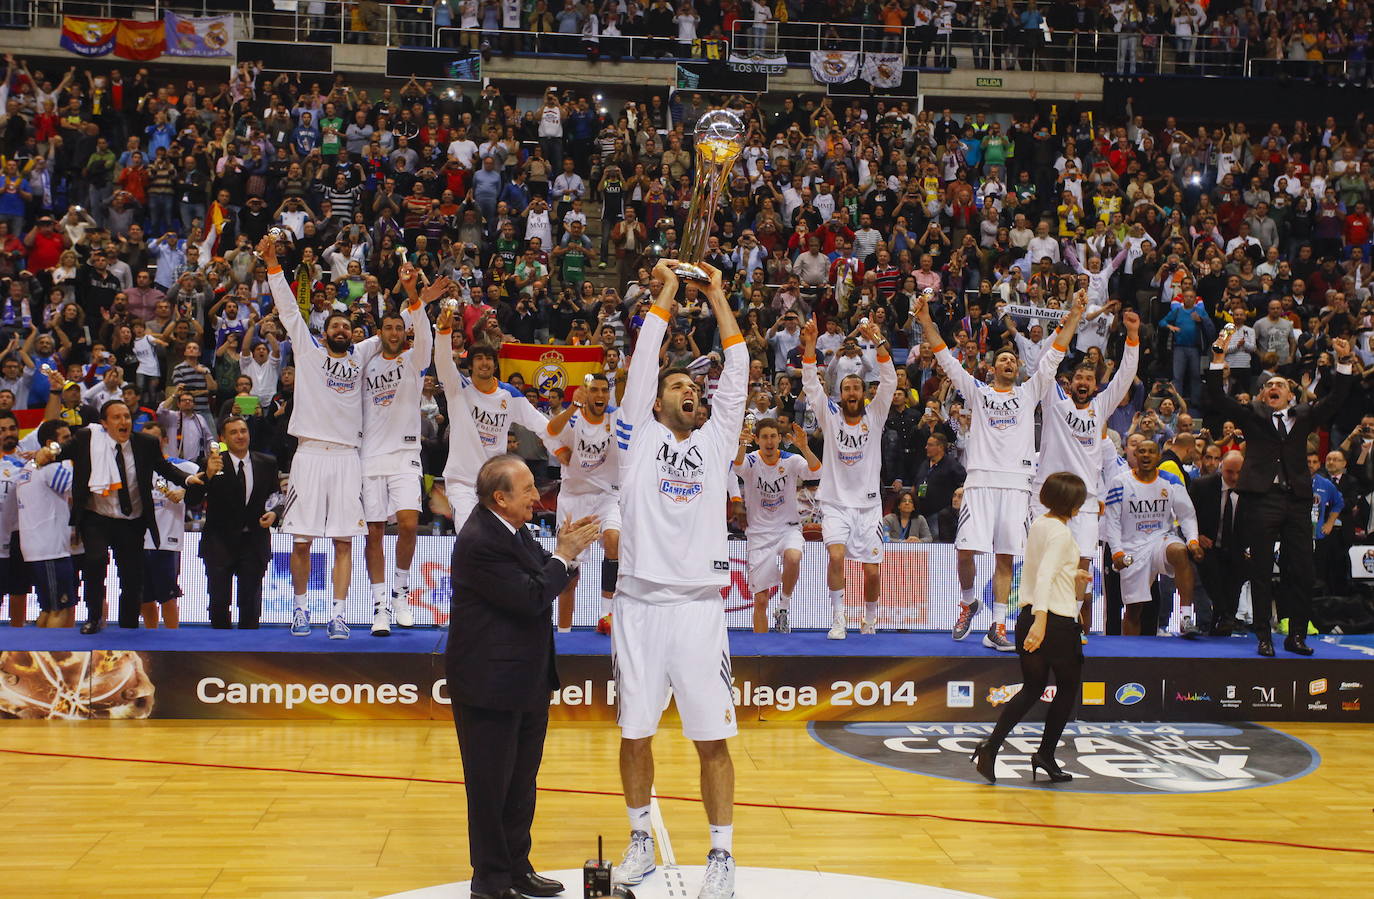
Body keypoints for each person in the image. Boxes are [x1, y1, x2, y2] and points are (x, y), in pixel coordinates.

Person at [609, 260, 744, 899]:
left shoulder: (716, 443)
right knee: (634, 732)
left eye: (694, 386)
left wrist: (717, 295)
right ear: (657, 401)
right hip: (637, 603)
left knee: (712, 739)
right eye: (676, 386)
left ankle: (722, 854)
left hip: (697, 609)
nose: (689, 391)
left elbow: (738, 372)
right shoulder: (634, 437)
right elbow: (641, 367)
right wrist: (665, 292)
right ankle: (640, 839)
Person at [445, 454, 600, 899]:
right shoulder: (480, 540)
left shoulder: (513, 529)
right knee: (490, 787)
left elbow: (546, 583)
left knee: (520, 783)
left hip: (526, 680)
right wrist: (562, 557)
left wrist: (565, 559)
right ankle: (490, 882)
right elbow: (532, 597)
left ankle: (516, 867)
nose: (538, 495)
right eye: (529, 488)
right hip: (489, 685)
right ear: (500, 497)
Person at [913, 288, 1084, 651]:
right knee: (965, 552)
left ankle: (998, 626)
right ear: (992, 368)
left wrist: (1074, 315)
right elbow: (945, 357)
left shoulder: (1029, 392)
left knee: (1006, 558)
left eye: (1013, 361)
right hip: (979, 483)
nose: (1009, 363)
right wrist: (927, 321)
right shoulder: (977, 391)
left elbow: (1055, 353)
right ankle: (968, 601)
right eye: (1003, 359)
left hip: (1017, 485)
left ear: (1019, 367)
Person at [1204, 335, 1354, 656]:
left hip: (1297, 500)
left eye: (1280, 385)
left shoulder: (1304, 416)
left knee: (1300, 570)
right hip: (1261, 499)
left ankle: (1296, 635)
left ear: (1290, 393)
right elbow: (1217, 395)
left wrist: (1343, 361)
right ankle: (1263, 636)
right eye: (1269, 384)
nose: (1274, 388)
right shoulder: (1251, 416)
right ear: (1262, 393)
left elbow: (1337, 398)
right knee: (1259, 569)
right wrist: (1218, 357)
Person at [262, 234, 379, 640]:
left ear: (354, 332)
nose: (342, 329)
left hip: (348, 457)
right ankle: (299, 610)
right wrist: (273, 264)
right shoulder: (309, 352)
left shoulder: (364, 355)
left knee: (344, 542)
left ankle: (339, 614)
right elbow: (289, 309)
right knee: (301, 543)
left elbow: (400, 335)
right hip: (309, 455)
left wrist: (415, 296)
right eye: (335, 324)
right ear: (325, 330)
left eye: (347, 325)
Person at [33, 399, 207, 632]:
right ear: (104, 423)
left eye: (126, 416)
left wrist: (186, 479)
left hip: (132, 519)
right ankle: (94, 618)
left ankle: (129, 623)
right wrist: (50, 451)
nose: (123, 421)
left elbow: (164, 468)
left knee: (132, 574)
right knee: (94, 562)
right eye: (116, 417)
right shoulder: (88, 438)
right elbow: (64, 449)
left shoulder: (145, 443)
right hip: (97, 516)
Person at [971, 472, 1092, 785]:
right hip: (1055, 620)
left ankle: (991, 745)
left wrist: (1073, 574)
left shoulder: (1040, 523)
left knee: (1033, 687)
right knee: (1067, 688)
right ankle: (1045, 754)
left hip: (1028, 614)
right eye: (1079, 500)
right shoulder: (1063, 534)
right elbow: (1044, 576)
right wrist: (1042, 620)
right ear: (1071, 503)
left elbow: (1044, 569)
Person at [1032, 308, 1141, 630]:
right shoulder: (1054, 402)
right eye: (1079, 377)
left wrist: (1132, 338)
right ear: (1070, 382)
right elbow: (1043, 362)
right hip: (1049, 498)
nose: (1084, 382)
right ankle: (1039, 615)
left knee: (1082, 564)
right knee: (1043, 562)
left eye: (1089, 379)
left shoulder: (1101, 407)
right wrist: (1066, 327)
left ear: (1095, 385)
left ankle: (1070, 620)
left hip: (1086, 501)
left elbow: (1124, 376)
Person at [799, 315, 896, 639]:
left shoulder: (876, 414)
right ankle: (838, 618)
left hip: (868, 508)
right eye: (847, 387)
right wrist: (811, 345)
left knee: (871, 572)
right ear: (841, 394)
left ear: (864, 392)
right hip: (836, 504)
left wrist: (879, 341)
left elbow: (890, 379)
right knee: (836, 556)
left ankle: (869, 617)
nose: (852, 390)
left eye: (856, 386)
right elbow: (811, 384)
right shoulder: (831, 416)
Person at [361, 264, 444, 636]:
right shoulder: (366, 363)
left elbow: (424, 336)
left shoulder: (415, 361)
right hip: (370, 456)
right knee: (374, 531)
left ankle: (400, 592)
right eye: (389, 328)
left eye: (400, 327)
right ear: (380, 333)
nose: (395, 332)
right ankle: (379, 604)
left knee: (409, 523)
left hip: (406, 454)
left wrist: (414, 298)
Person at [431, 338, 548, 533]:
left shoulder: (509, 394)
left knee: (497, 537)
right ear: (471, 364)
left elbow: (542, 424)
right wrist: (444, 331)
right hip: (462, 480)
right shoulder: (457, 386)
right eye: (478, 358)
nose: (484, 363)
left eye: (488, 358)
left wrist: (561, 444)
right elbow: (442, 361)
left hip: (494, 483)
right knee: (469, 532)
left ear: (495, 364)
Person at [544, 372, 622, 634]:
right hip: (574, 498)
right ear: (586, 393)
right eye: (595, 390)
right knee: (569, 576)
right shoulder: (574, 416)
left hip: (606, 496)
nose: (600, 395)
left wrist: (625, 377)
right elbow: (551, 431)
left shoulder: (615, 418)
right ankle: (564, 635)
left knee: (613, 540)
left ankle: (605, 615)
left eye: (604, 390)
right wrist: (571, 410)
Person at [1103, 439, 1203, 637]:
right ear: (1135, 455)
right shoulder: (1120, 483)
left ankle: (1185, 617)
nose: (1146, 455)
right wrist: (1117, 552)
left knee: (1179, 551)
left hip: (1160, 540)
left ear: (1158, 456)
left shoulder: (1171, 480)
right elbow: (1112, 521)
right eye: (1142, 451)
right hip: (1131, 547)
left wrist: (1192, 541)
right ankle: (1131, 655)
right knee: (1134, 611)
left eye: (1151, 452)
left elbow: (1187, 514)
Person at [731, 418, 822, 633]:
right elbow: (736, 468)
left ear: (779, 439)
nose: (769, 441)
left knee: (793, 556)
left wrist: (805, 447)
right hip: (759, 534)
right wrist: (741, 445)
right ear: (757, 439)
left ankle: (783, 607)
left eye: (773, 436)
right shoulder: (751, 460)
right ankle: (761, 652)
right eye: (764, 437)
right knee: (760, 600)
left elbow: (816, 472)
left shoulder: (791, 460)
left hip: (787, 528)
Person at [200, 415, 283, 629]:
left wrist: (274, 513)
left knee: (251, 603)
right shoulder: (212, 463)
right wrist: (208, 475)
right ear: (223, 438)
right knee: (218, 602)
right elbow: (192, 499)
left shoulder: (267, 463)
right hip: (219, 542)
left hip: (254, 542)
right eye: (234, 432)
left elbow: (277, 497)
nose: (240, 436)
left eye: (243, 431)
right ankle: (218, 652)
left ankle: (250, 653)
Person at [18, 419, 78, 629]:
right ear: (52, 443)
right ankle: (55, 654)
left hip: (38, 546)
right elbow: (80, 486)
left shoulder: (29, 465)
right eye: (66, 439)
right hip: (50, 548)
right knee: (59, 608)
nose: (71, 443)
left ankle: (39, 651)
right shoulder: (52, 467)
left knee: (48, 607)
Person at [139, 420, 199, 629]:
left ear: (164, 440)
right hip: (138, 541)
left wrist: (184, 491)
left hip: (167, 542)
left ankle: (172, 639)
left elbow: (206, 482)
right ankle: (150, 637)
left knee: (167, 596)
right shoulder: (133, 468)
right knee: (144, 597)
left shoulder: (183, 466)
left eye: (154, 439)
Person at [1188, 450, 1246, 636]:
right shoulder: (1202, 485)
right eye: (1230, 472)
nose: (1235, 477)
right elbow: (1187, 516)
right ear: (1221, 467)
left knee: (1240, 571)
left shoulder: (1251, 491)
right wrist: (1197, 536)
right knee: (1210, 572)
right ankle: (1223, 616)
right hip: (1207, 546)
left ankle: (1225, 618)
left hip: (1236, 546)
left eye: (1239, 472)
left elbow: (1255, 522)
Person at [0, 410, 30, 627]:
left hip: (19, 540)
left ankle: (18, 642)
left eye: (11, 428)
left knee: (19, 593)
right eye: (2, 430)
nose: (8, 433)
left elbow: (50, 424)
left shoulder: (27, 460)